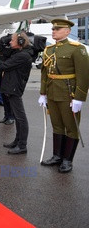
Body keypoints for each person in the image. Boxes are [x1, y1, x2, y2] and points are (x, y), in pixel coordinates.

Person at [39, 19, 89, 173]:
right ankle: (57, 156)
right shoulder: (48, 49)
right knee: (57, 125)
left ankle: (67, 160)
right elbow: (44, 74)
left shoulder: (77, 49)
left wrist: (79, 98)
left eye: (58, 29)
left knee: (71, 127)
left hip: (69, 94)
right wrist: (43, 93)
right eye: (53, 29)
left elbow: (84, 75)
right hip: (53, 92)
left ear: (67, 31)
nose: (54, 31)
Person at [0, 32, 33, 154]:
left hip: (15, 89)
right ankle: (17, 140)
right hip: (12, 87)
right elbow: (6, 55)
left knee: (20, 117)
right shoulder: (18, 53)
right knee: (17, 116)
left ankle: (22, 145)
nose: (10, 42)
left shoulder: (23, 56)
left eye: (12, 40)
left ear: (20, 42)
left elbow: (3, 66)